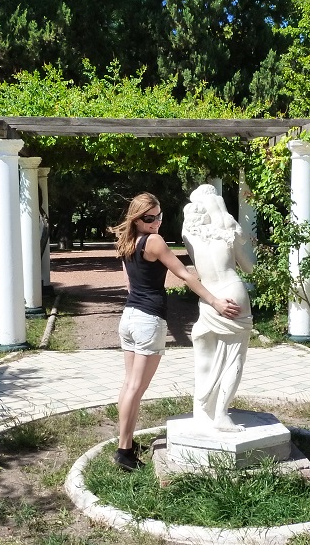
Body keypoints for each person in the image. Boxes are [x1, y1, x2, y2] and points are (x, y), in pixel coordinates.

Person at [108, 192, 241, 471]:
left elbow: (129, 286)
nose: (156, 222)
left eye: (159, 216)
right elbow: (183, 274)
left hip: (129, 318)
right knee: (135, 387)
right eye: (149, 218)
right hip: (147, 321)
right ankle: (123, 452)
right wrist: (215, 301)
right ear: (138, 218)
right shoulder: (154, 241)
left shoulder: (127, 242)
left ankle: (126, 443)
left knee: (128, 385)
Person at [182, 185, 255, 433]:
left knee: (205, 353)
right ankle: (221, 413)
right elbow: (249, 269)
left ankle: (203, 409)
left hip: (210, 297)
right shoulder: (227, 234)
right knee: (234, 356)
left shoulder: (188, 234)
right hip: (233, 293)